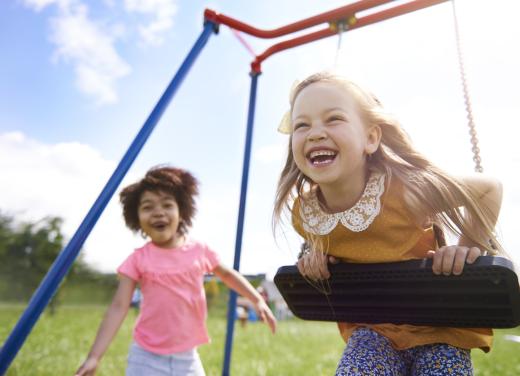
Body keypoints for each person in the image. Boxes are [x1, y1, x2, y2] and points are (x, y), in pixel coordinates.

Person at [273, 72, 505, 375]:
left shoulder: (404, 192)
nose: (315, 133)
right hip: (372, 330)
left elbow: (489, 188)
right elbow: (336, 246)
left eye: (333, 119)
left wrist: (465, 251)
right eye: (302, 125)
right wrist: (316, 260)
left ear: (370, 138)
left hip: (439, 328)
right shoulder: (306, 213)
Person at [75, 166, 276, 376]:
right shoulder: (137, 259)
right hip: (145, 357)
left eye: (167, 205)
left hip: (187, 358)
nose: (158, 212)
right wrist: (94, 357)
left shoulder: (199, 251)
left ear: (181, 213)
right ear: (137, 219)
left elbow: (227, 275)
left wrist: (257, 299)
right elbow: (118, 307)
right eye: (147, 207)